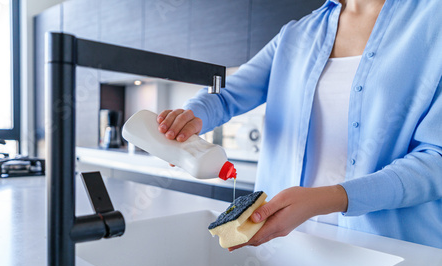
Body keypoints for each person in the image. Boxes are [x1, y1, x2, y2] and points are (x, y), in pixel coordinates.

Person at [156, 0, 442, 250]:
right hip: (289, 243)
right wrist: (192, 116)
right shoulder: (296, 35)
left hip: (391, 253)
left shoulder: (434, 21)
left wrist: (330, 198)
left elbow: (436, 160)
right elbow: (227, 95)